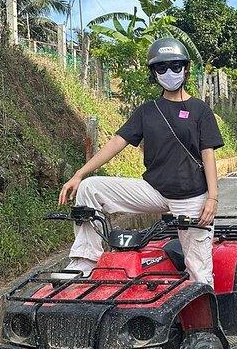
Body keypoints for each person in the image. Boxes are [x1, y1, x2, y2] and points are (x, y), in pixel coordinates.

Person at [58, 37, 224, 286]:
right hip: (153, 191)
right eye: (162, 67)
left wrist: (212, 198)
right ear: (154, 73)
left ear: (186, 69)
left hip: (191, 198)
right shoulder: (148, 111)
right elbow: (116, 143)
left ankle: (204, 325)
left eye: (176, 66)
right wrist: (79, 174)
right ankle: (84, 260)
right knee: (90, 188)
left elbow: (207, 154)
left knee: (199, 273)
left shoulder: (200, 110)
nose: (169, 72)